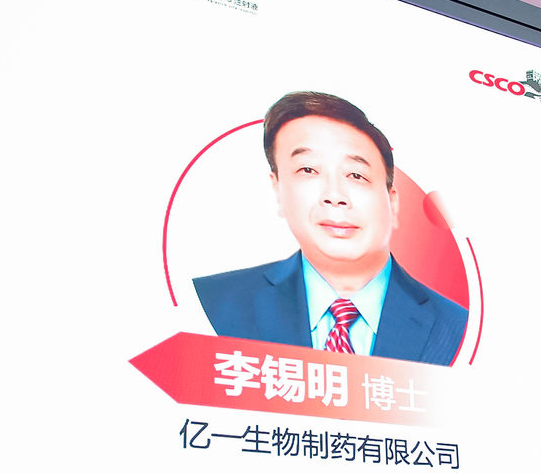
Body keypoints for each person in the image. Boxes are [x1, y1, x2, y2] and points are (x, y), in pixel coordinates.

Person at [192, 91, 467, 366]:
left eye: (356, 175)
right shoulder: (207, 303)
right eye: (308, 170)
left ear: (392, 201)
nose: (335, 196)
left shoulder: (461, 328)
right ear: (278, 190)